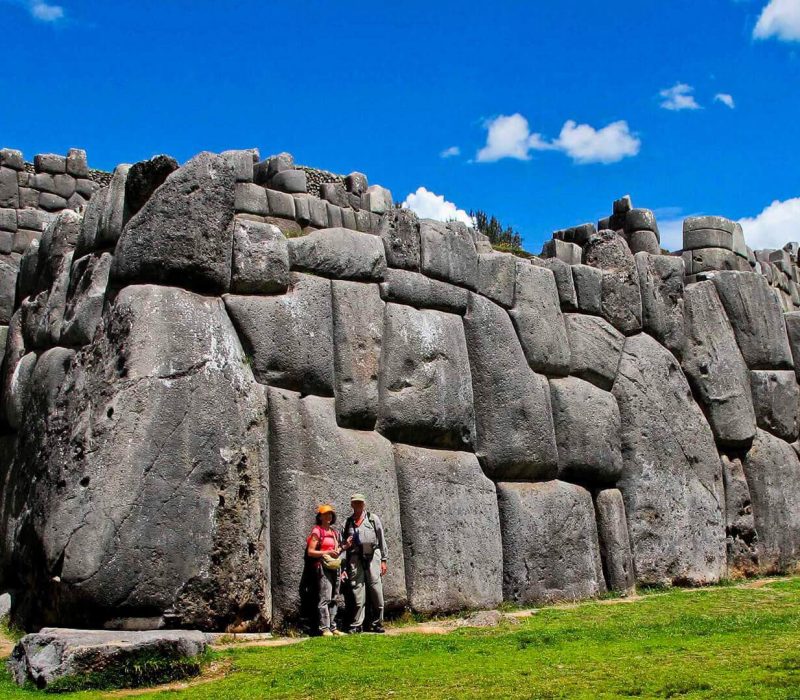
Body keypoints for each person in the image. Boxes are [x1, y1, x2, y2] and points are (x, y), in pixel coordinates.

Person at [341, 493, 388, 633]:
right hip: (355, 558)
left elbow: (381, 539)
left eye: (360, 502)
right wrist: (343, 567)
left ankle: (377, 623)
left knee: (376, 590)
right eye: (355, 503)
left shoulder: (373, 519)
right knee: (357, 592)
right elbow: (343, 546)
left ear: (364, 504)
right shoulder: (347, 522)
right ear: (352, 504)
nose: (358, 505)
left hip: (373, 556)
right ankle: (357, 624)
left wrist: (384, 560)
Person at [306, 504, 345, 637]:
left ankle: (333, 627)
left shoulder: (334, 533)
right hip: (323, 567)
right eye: (325, 514)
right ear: (320, 516)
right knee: (325, 597)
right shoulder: (317, 531)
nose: (328, 516)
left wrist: (343, 548)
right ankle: (324, 628)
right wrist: (327, 551)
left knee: (334, 597)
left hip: (335, 566)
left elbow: (338, 550)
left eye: (330, 514)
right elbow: (310, 552)